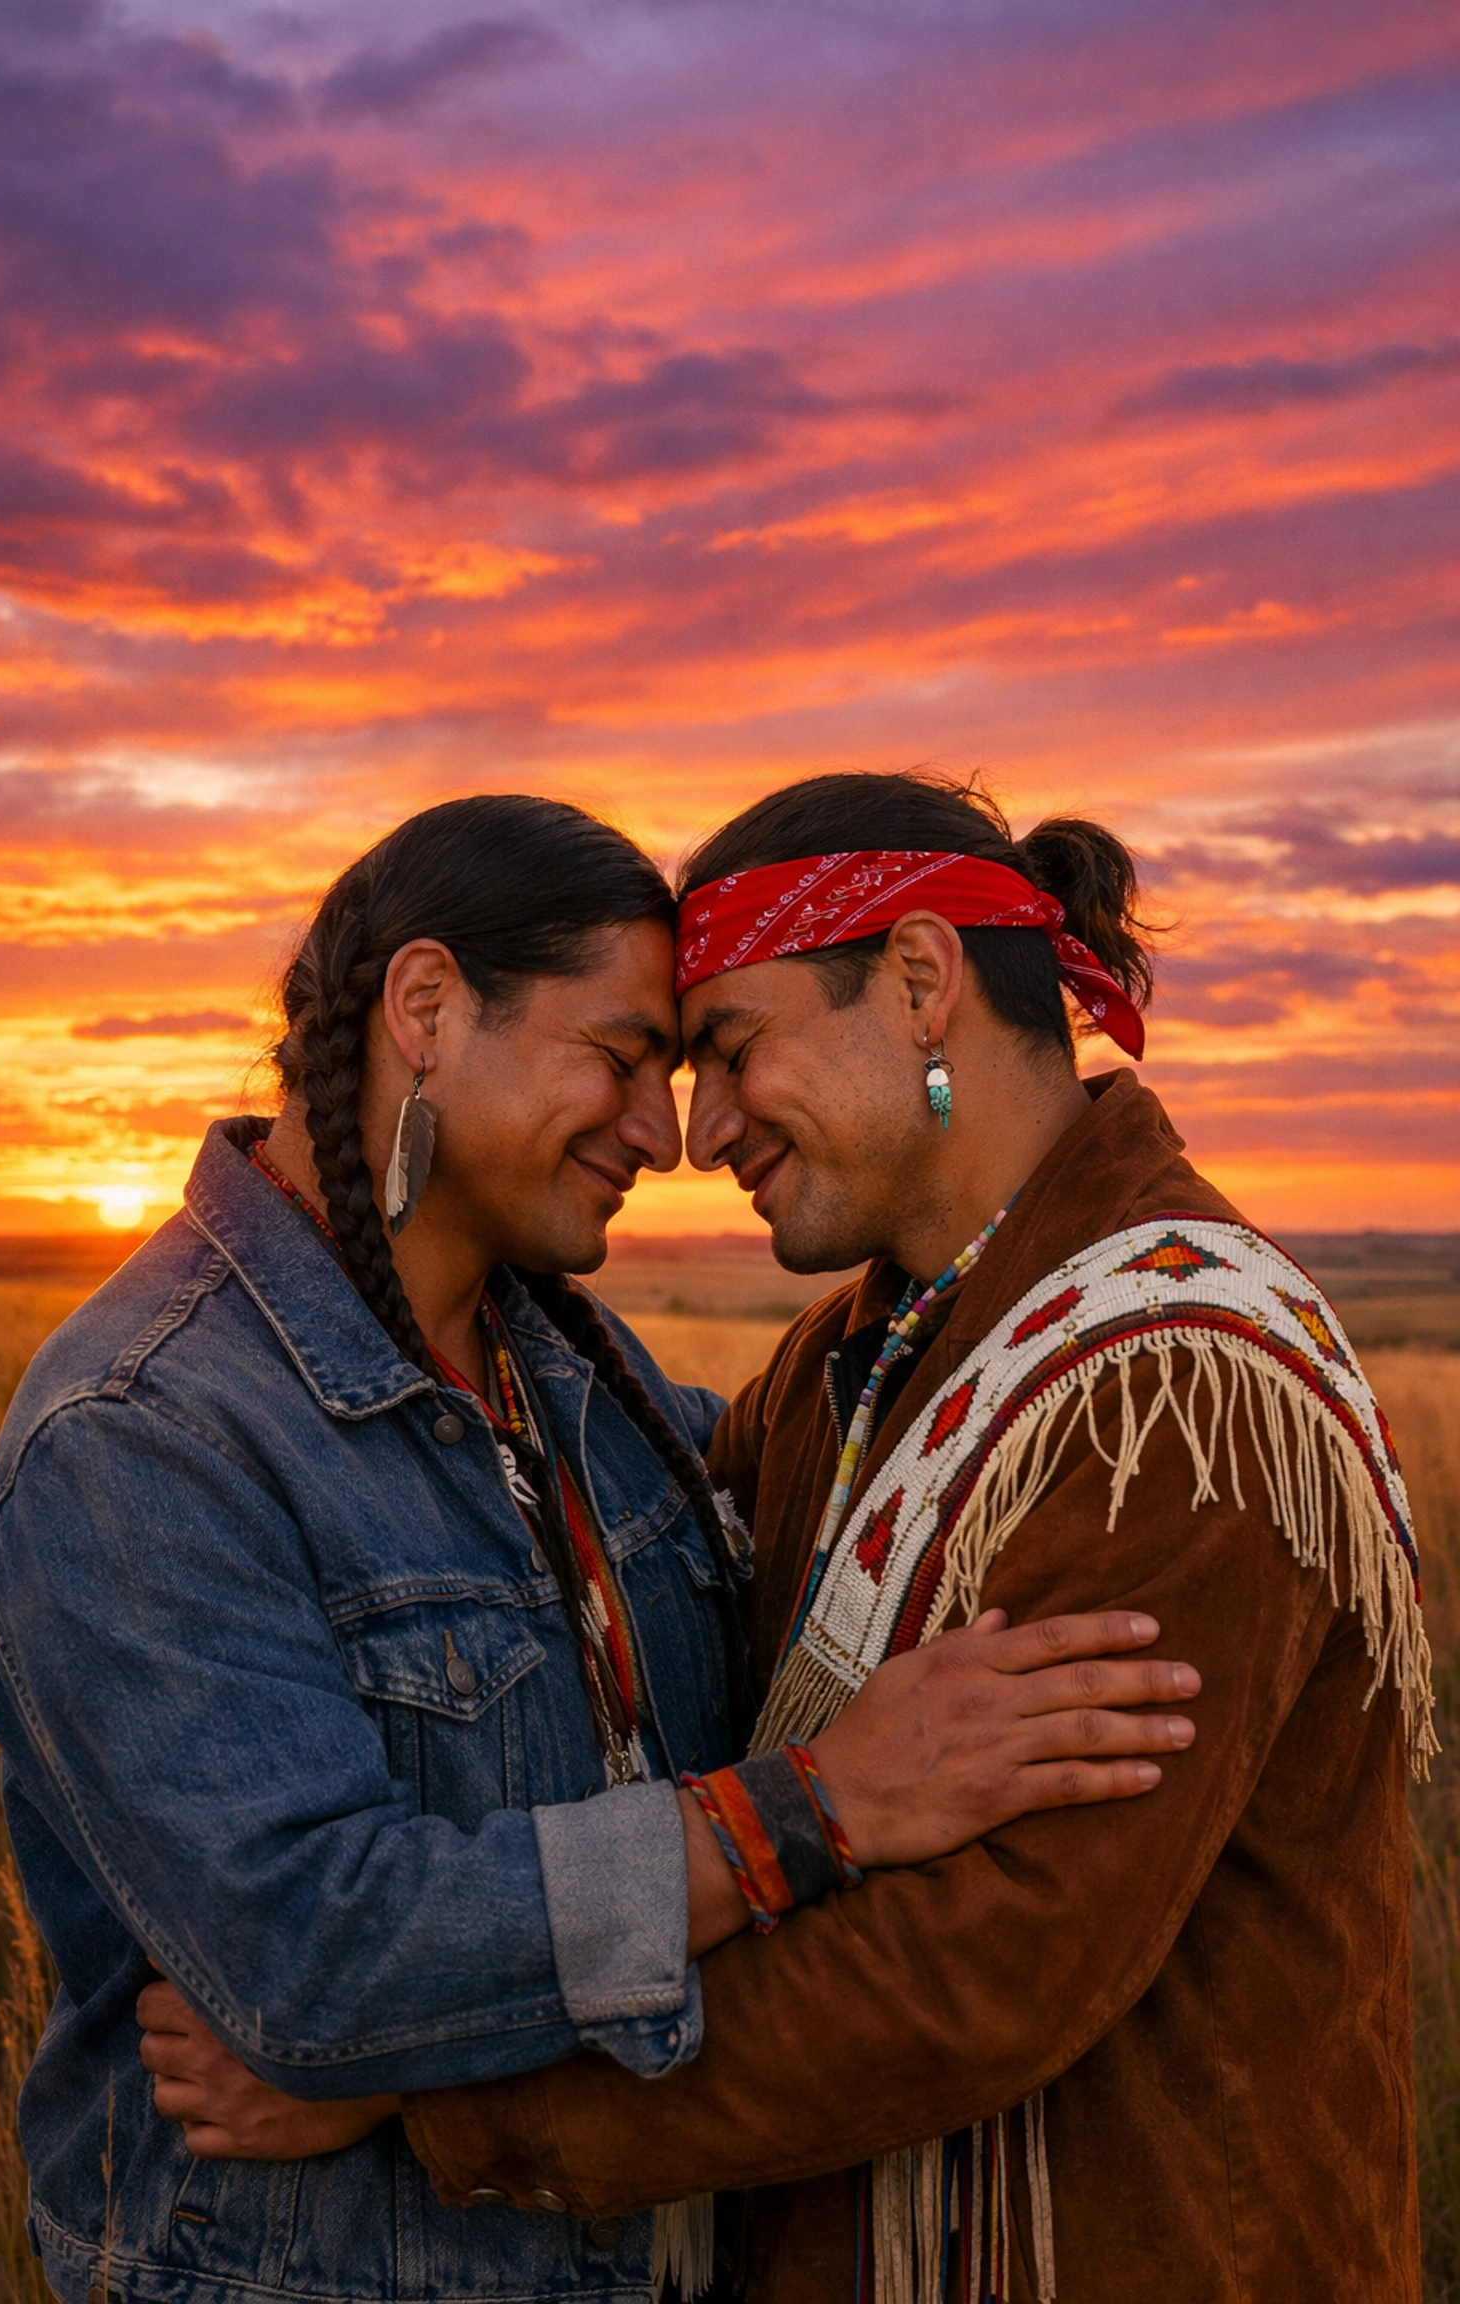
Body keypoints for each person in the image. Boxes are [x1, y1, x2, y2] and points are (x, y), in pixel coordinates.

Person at [0, 793, 1197, 2304]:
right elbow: (311, 1964)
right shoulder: (143, 1437)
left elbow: (873, 1446)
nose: (664, 1135)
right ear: (425, 1009)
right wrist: (804, 1812)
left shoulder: (574, 1375)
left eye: (693, 1066)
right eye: (621, 1061)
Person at [217, 771, 1422, 2303]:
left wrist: (431, 2096)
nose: (696, 1130)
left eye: (730, 1049)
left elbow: (980, 1968)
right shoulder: (850, 1358)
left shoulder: (1176, 1386)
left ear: (920, 984)